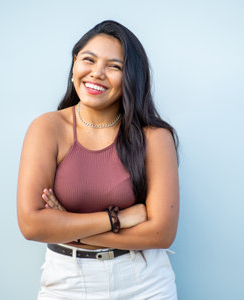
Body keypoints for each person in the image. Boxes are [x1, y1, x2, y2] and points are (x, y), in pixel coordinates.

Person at [17, 20, 179, 300]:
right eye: (88, 60)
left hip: (144, 282)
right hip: (68, 279)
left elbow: (161, 234)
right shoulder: (47, 129)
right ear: (74, 66)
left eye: (114, 66)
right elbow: (32, 225)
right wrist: (119, 218)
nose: (97, 73)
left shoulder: (154, 137)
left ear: (131, 78)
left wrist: (66, 225)